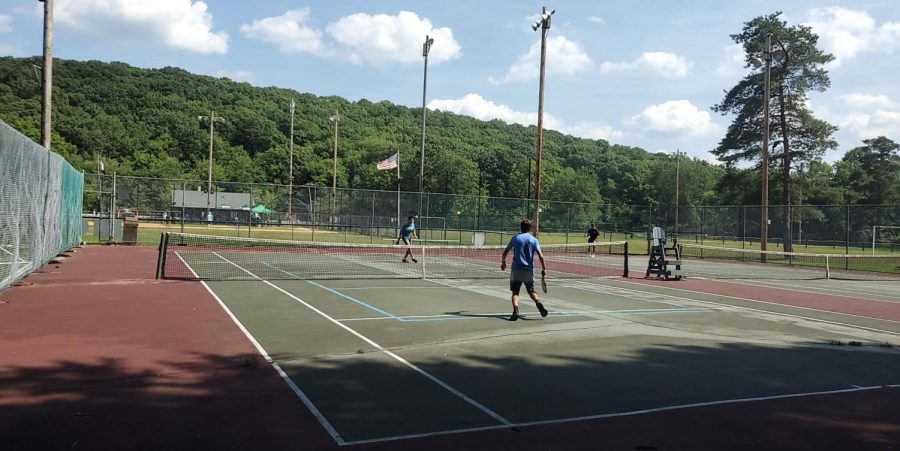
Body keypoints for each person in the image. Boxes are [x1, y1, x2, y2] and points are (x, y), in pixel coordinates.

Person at [500, 219, 548, 321]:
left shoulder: (515, 238)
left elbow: (505, 253)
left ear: (520, 227)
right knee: (531, 291)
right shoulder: (534, 240)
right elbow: (541, 256)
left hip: (516, 269)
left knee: (515, 292)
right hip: (529, 270)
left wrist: (503, 263)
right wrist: (544, 268)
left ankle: (515, 311)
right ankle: (538, 303)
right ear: (529, 228)